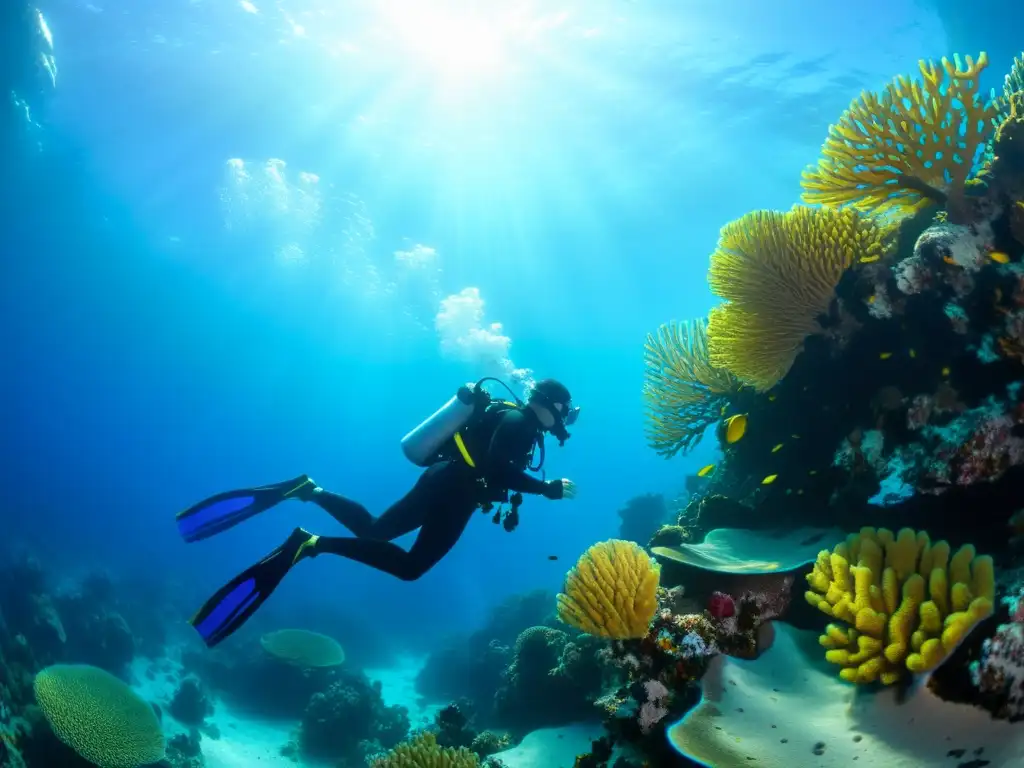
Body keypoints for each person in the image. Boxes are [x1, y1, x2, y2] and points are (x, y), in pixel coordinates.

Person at [178, 378, 580, 647]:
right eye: (565, 411)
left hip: (444, 480)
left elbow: (494, 466)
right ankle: (310, 543)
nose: (565, 420)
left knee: (375, 530)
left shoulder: (510, 417)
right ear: (551, 406)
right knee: (410, 566)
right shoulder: (520, 423)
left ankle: (308, 491)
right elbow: (496, 468)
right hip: (456, 491)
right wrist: (547, 488)